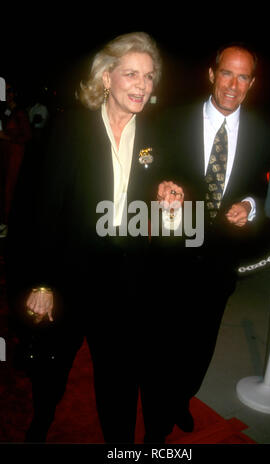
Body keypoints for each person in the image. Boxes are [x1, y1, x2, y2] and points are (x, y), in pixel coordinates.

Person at [6, 31, 183, 444]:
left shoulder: (158, 136)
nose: (143, 84)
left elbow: (166, 207)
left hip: (126, 281)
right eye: (132, 74)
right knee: (53, 367)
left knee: (119, 378)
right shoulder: (68, 129)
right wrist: (42, 282)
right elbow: (40, 213)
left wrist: (171, 200)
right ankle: (41, 424)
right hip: (69, 274)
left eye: (150, 76)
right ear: (106, 78)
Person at [155, 43, 270, 429]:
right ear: (212, 74)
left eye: (243, 77)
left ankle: (181, 397)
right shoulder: (171, 120)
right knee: (164, 338)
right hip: (170, 253)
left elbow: (264, 188)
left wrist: (250, 205)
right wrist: (158, 188)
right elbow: (147, 168)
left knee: (202, 339)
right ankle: (158, 409)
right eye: (227, 73)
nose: (233, 84)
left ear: (252, 83)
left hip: (221, 260)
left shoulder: (264, 133)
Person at [0, 83, 32, 237]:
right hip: (5, 154)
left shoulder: (20, 113)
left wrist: (7, 136)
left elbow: (27, 136)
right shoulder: (6, 111)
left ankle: (5, 225)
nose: (6, 94)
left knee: (9, 188)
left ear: (14, 94)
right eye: (4, 92)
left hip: (15, 156)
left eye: (9, 91)